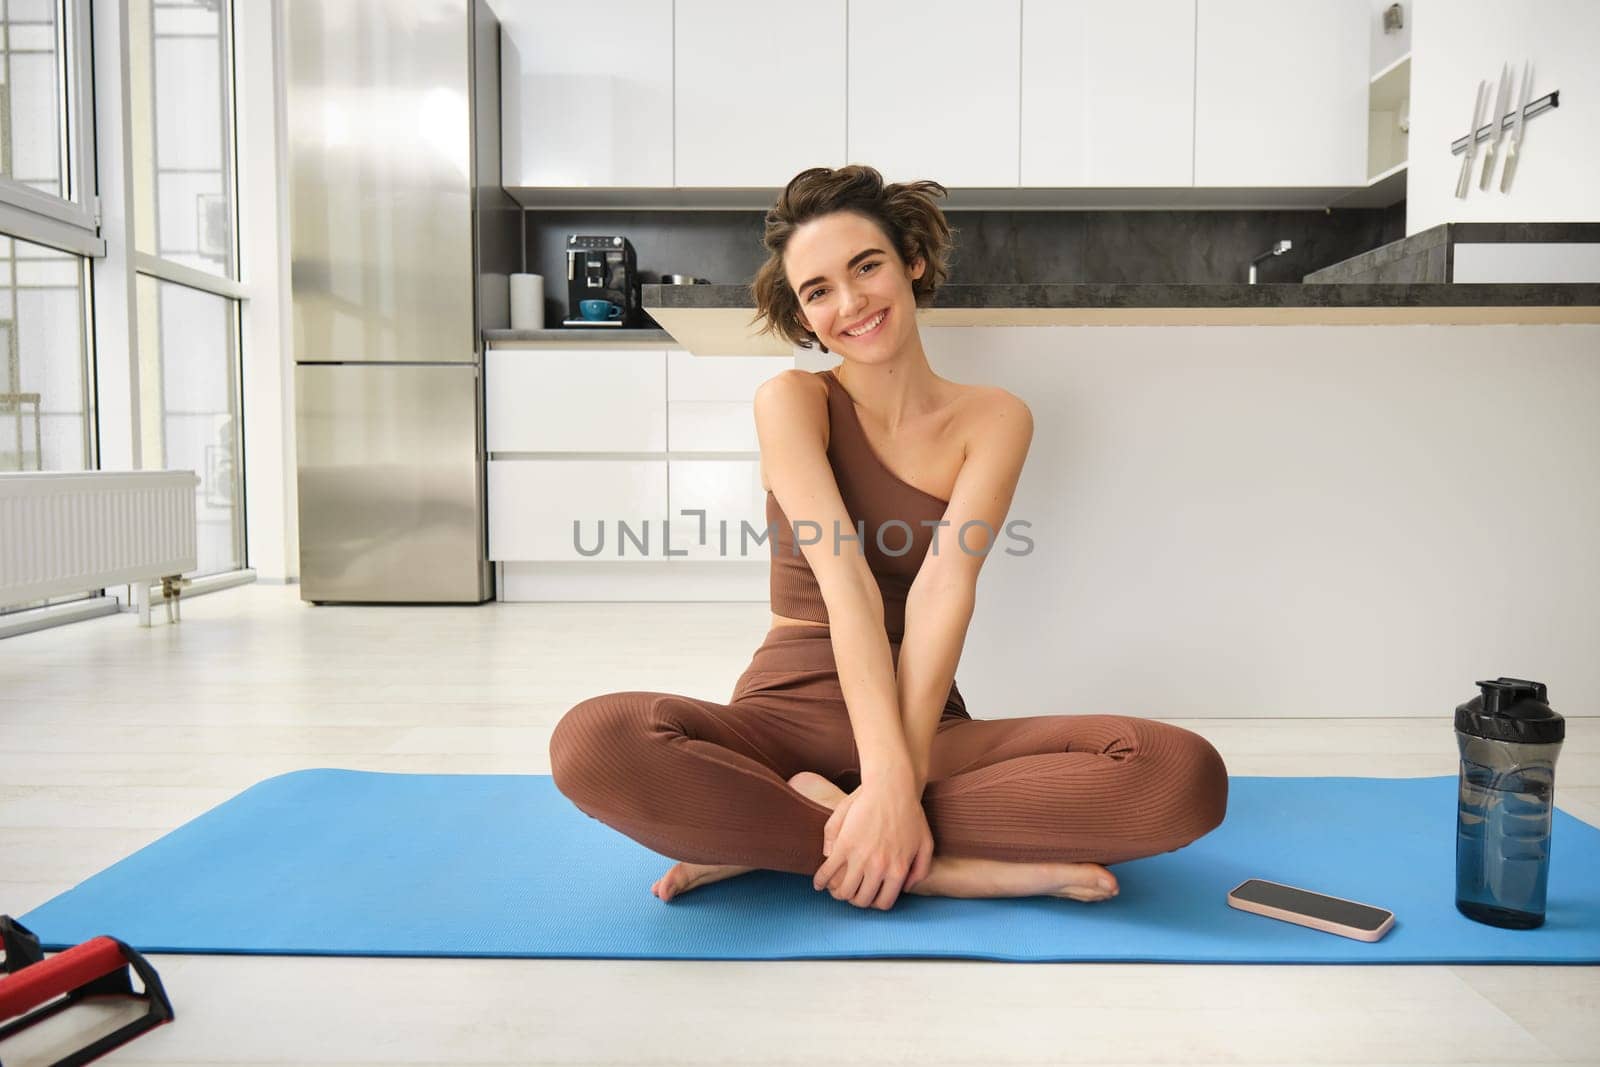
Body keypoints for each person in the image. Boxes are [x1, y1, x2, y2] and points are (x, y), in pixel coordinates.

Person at [548, 164, 1229, 912]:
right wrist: (885, 791)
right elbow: (848, 589)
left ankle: (786, 833)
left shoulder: (995, 419)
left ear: (911, 260)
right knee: (594, 739)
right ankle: (935, 863)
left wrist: (895, 778)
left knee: (1176, 773)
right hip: (781, 714)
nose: (850, 303)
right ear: (805, 317)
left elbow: (943, 592)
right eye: (818, 291)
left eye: (865, 266)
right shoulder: (792, 401)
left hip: (923, 719)